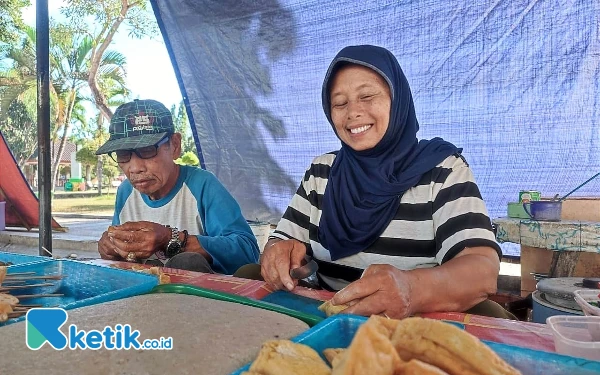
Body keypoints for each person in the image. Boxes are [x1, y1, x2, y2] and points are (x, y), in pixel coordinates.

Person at [252, 45, 511, 319]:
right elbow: (282, 240)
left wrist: (411, 289)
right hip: (326, 317)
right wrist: (276, 253)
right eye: (340, 103)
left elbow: (482, 269)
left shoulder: (441, 170)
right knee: (248, 275)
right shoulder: (321, 172)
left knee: (489, 314)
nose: (353, 112)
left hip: (414, 323)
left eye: (367, 96)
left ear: (397, 100)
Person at [96, 99, 259, 274]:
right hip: (145, 297)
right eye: (123, 154)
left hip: (201, 299)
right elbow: (123, 257)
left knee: (187, 262)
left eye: (147, 150)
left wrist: (171, 239)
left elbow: (247, 251)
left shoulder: (202, 186)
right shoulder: (125, 192)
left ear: (174, 145)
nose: (135, 168)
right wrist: (111, 248)